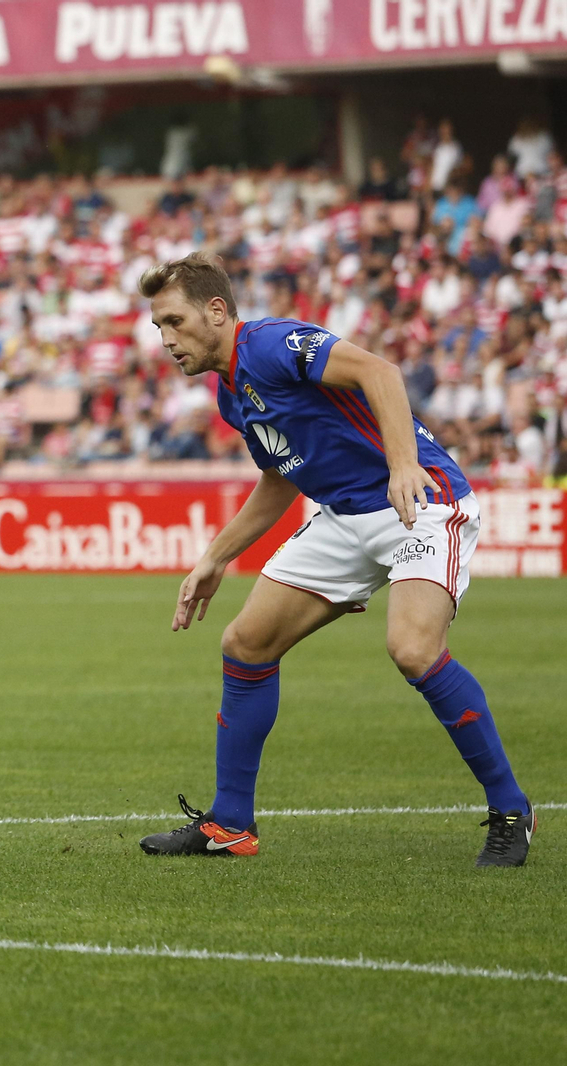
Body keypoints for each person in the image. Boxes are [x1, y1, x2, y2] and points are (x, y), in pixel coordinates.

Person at [135, 252, 533, 867]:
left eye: (173, 321)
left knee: (413, 648)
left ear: (216, 311)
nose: (165, 339)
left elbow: (381, 372)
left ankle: (511, 809)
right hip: (344, 519)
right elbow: (279, 476)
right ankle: (231, 825)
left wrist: (404, 464)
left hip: (420, 503)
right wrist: (215, 557)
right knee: (245, 643)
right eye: (158, 327)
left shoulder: (269, 345)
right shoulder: (230, 395)